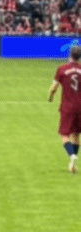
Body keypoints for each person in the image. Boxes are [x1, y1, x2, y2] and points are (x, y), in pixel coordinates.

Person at [48, 45, 81, 173]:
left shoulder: (62, 68)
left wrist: (51, 96)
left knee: (64, 134)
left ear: (70, 55)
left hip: (67, 107)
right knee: (76, 134)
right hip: (80, 106)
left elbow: (53, 88)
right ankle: (73, 165)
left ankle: (72, 155)